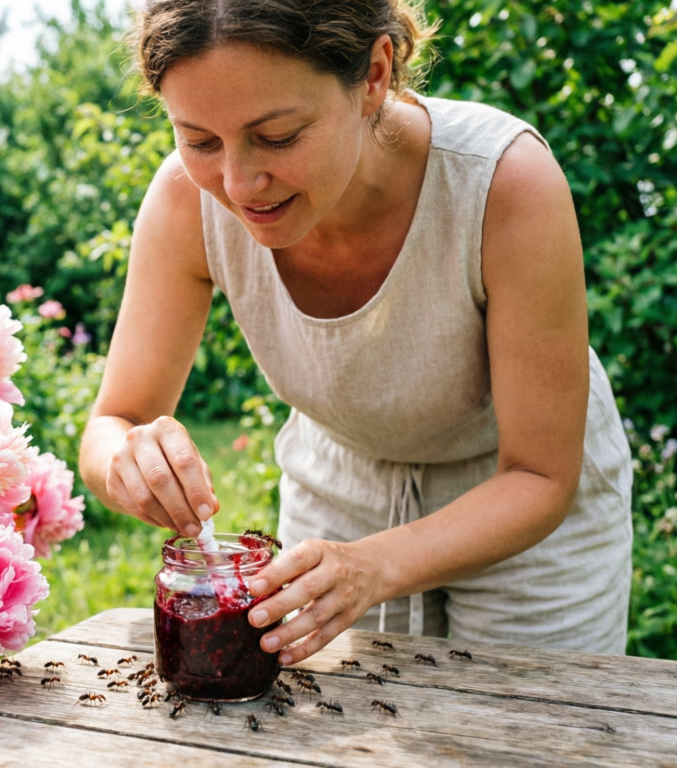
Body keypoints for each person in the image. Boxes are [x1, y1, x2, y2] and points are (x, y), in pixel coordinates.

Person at [78, 0, 632, 665]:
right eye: (199, 140)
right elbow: (115, 419)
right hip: (339, 491)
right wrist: (128, 460)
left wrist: (371, 567)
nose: (238, 182)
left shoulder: (503, 182)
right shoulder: (183, 204)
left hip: (520, 507)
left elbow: (540, 475)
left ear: (374, 74)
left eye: (278, 136)